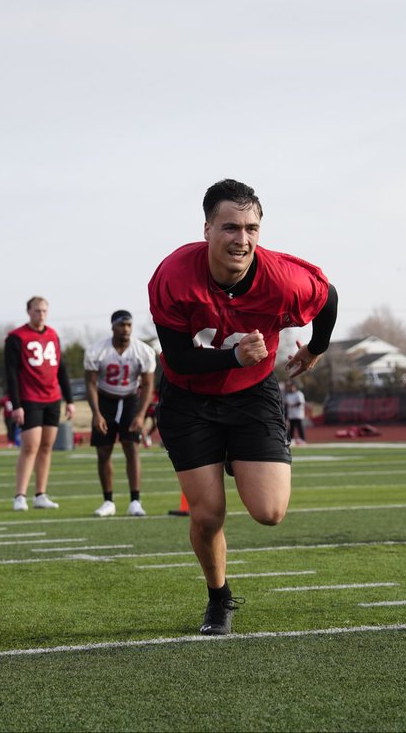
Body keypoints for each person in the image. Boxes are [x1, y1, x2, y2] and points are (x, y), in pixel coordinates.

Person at [149, 178, 338, 636]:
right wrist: (233, 356)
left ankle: (236, 451)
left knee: (270, 511)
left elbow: (328, 297)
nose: (242, 239)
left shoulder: (283, 280)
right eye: (230, 227)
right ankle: (219, 597)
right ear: (208, 228)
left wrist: (316, 348)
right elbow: (177, 357)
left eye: (252, 227)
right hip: (188, 397)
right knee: (208, 513)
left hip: (251, 395)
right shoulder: (173, 275)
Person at [84, 310, 158, 517]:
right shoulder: (97, 350)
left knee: (131, 447)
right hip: (105, 399)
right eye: (121, 325)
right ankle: (108, 501)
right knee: (103, 450)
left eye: (128, 325)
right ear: (112, 327)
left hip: (130, 399)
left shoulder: (142, 350)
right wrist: (96, 413)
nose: (125, 329)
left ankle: (135, 500)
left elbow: (148, 383)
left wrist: (141, 414)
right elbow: (90, 383)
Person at [4, 296, 75, 510]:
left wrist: (69, 400)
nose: (41, 314)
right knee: (30, 447)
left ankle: (40, 494)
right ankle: (20, 495)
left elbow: (61, 369)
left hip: (52, 397)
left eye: (44, 311)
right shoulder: (16, 337)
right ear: (29, 312)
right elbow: (11, 373)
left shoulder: (53, 335)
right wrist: (16, 404)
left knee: (46, 447)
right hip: (30, 398)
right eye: (36, 311)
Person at [283, 381, 307, 445]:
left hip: (298, 414)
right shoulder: (288, 395)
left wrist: (292, 405)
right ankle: (291, 439)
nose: (290, 388)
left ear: (295, 387)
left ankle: (302, 439)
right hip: (291, 415)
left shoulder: (299, 394)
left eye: (292, 387)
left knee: (300, 427)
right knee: (291, 428)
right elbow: (286, 404)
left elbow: (300, 403)